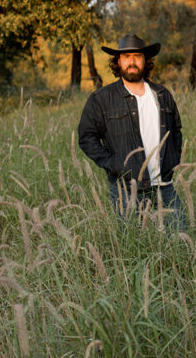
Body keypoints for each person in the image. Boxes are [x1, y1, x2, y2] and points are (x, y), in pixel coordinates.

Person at [78, 34, 185, 229]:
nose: (132, 62)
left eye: (137, 56)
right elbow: (86, 137)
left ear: (146, 61)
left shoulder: (162, 95)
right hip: (127, 189)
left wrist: (173, 158)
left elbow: (176, 130)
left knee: (180, 238)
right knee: (133, 247)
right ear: (118, 62)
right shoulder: (102, 99)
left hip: (164, 185)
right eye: (126, 57)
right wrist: (113, 164)